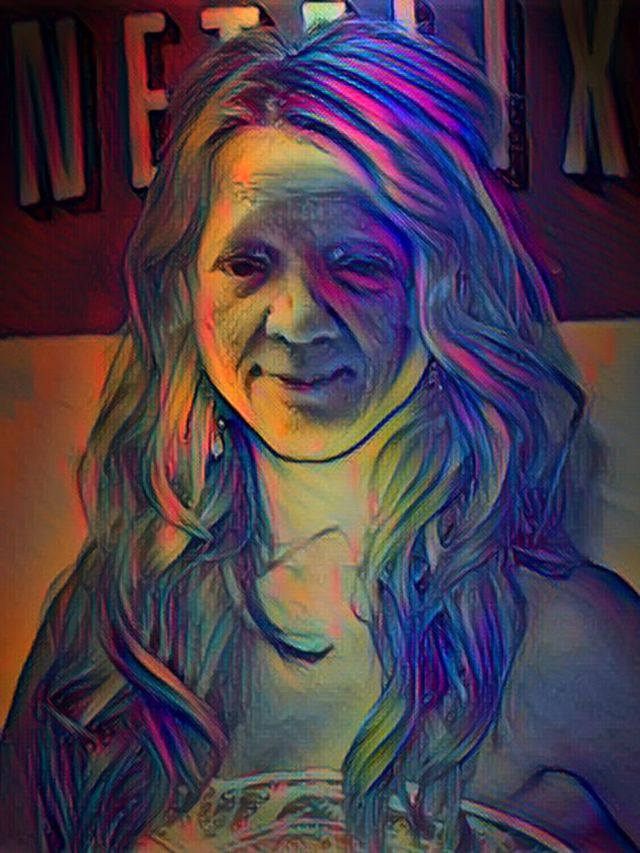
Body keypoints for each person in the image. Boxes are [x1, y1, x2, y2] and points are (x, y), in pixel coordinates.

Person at [1, 16, 639, 852]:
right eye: (248, 263)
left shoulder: (573, 643)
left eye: (357, 263)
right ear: (186, 293)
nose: (298, 319)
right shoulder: (111, 631)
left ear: (444, 288)